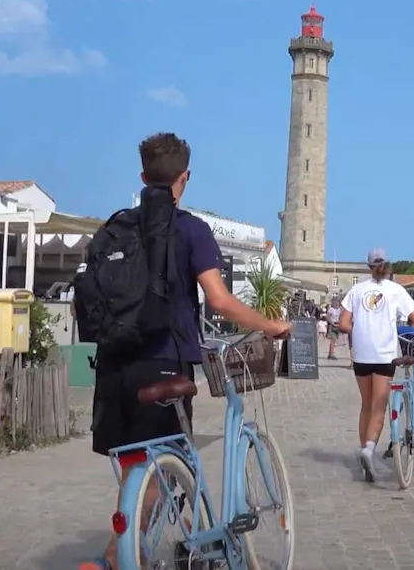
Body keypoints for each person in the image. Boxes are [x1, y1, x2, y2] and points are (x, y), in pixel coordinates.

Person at [79, 133, 291, 570]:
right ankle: (120, 559)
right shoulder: (191, 229)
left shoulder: (115, 226)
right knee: (159, 471)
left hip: (114, 366)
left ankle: (121, 554)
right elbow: (218, 301)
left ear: (142, 177)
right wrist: (271, 324)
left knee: (136, 470)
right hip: (163, 363)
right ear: (184, 178)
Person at [338, 248, 414, 482]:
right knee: (379, 406)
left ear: (368, 266)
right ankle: (369, 450)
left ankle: (364, 452)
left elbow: (342, 323)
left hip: (361, 354)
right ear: (386, 265)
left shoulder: (356, 290)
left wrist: (360, 330)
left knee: (366, 405)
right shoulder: (395, 290)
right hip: (384, 355)